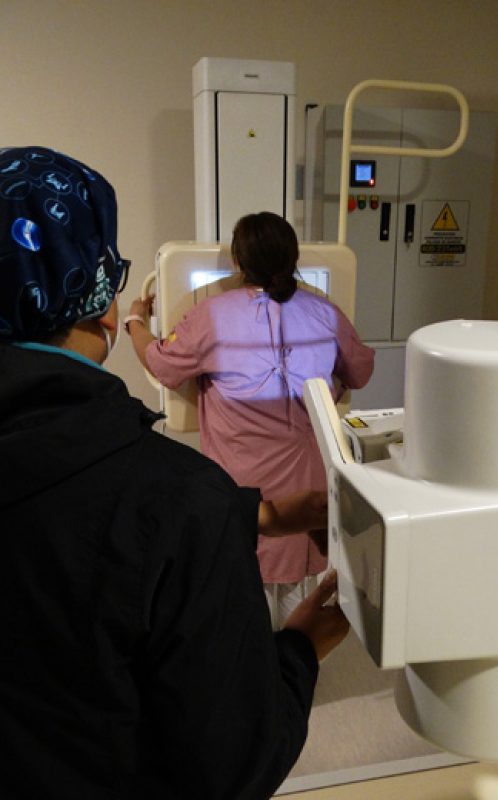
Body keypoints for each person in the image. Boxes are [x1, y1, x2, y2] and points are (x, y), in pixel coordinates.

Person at [0, 146, 349, 799]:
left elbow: (161, 368)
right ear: (98, 300)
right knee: (282, 592)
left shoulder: (210, 322)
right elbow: (231, 765)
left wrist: (245, 512)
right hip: (296, 471)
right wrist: (299, 650)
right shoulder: (181, 498)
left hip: (239, 474)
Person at [126, 211, 375, 627]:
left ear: (238, 262)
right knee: (302, 602)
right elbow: (361, 372)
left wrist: (135, 320)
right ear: (293, 259)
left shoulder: (211, 315)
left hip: (244, 489)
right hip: (309, 488)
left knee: (244, 604)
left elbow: (162, 364)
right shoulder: (325, 313)